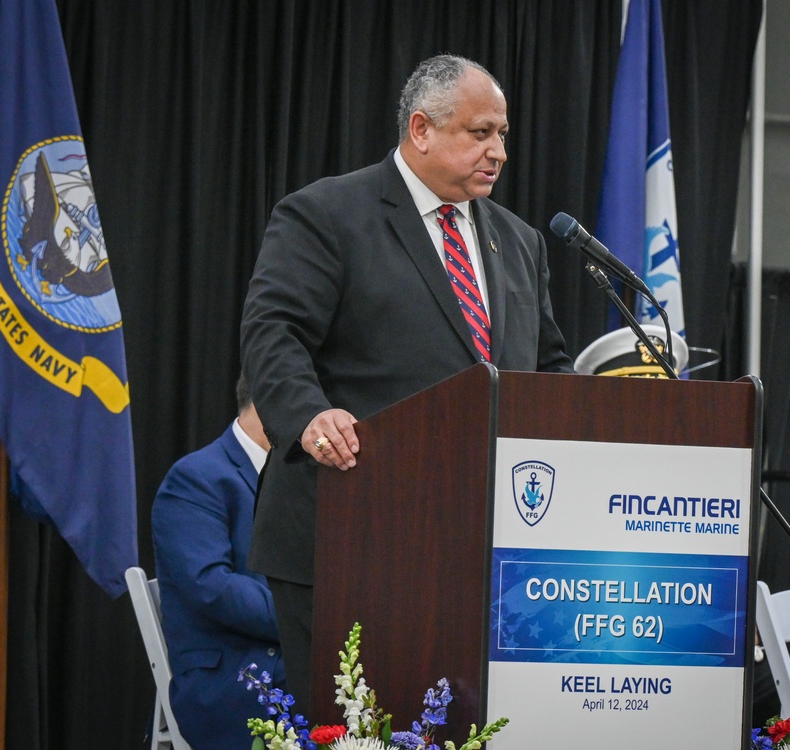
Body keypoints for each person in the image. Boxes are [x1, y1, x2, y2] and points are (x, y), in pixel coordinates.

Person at [240, 53, 574, 714]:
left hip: (479, 547)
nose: (499, 151)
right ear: (421, 129)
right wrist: (308, 416)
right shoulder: (329, 214)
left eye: (502, 134)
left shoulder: (521, 241)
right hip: (347, 529)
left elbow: (548, 366)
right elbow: (273, 329)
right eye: (480, 133)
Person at [151, 376, 285, 750]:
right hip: (230, 679)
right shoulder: (196, 477)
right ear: (271, 400)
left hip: (297, 658)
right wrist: (310, 617)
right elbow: (211, 586)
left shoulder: (304, 480)